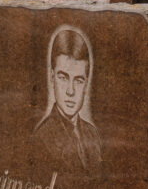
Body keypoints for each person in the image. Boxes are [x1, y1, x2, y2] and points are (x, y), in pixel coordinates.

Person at [31, 25, 103, 180]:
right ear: (52, 77)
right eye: (63, 78)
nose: (71, 91)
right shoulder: (41, 139)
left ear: (86, 84)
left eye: (78, 81)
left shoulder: (93, 135)